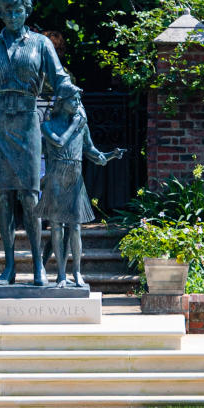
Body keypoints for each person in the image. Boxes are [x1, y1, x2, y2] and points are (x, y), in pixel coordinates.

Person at [0, 0, 82, 286]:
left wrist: (69, 91)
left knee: (29, 195)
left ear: (27, 11)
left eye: (18, 10)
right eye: (7, 11)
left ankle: (38, 264)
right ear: (0, 13)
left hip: (27, 123)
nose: (12, 16)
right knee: (3, 195)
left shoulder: (40, 44)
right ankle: (10, 265)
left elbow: (59, 76)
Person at [37, 87, 125, 288]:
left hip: (75, 177)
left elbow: (90, 150)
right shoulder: (48, 126)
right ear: (62, 103)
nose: (77, 104)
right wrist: (75, 124)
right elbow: (59, 143)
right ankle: (60, 274)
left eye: (79, 101)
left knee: (75, 227)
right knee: (57, 227)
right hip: (56, 178)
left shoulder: (81, 127)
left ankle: (76, 271)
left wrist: (109, 155)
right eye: (73, 100)